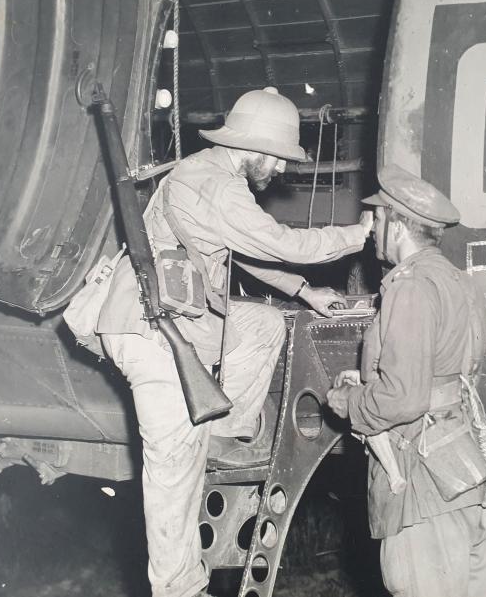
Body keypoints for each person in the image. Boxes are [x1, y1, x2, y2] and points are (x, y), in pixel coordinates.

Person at [96, 86, 373, 597]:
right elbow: (281, 242)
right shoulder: (218, 187)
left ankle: (227, 431)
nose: (283, 171)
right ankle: (179, 588)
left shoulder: (208, 173)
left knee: (263, 326)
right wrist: (357, 235)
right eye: (281, 159)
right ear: (259, 150)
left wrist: (304, 290)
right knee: (174, 467)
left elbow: (239, 250)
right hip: (153, 331)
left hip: (167, 322)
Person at [326, 164, 486, 597]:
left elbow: (404, 400)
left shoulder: (409, 287)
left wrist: (348, 401)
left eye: (376, 218)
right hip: (472, 472)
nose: (370, 229)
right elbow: (445, 376)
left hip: (427, 487)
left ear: (396, 223)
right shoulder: (460, 284)